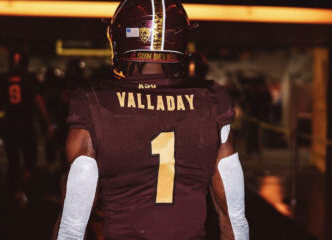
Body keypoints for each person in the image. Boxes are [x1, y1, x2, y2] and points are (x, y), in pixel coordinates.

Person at [56, 1, 249, 239]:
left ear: (121, 37)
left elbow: (72, 225)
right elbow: (233, 219)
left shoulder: (95, 102)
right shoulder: (212, 101)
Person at [0, 50, 53, 205]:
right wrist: (47, 122)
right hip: (26, 124)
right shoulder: (30, 78)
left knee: (13, 160)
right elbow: (38, 101)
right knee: (29, 161)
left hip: (10, 125)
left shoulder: (3, 78)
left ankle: (13, 192)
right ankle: (24, 190)